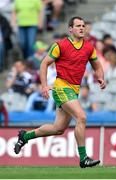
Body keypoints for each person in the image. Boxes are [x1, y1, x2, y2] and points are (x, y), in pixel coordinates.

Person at [14, 16, 106, 168]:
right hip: (62, 87)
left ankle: (25, 136)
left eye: (83, 25)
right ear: (70, 29)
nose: (82, 28)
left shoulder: (89, 47)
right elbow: (44, 64)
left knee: (58, 129)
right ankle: (84, 158)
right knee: (81, 117)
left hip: (73, 90)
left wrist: (101, 77)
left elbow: (97, 65)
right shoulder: (60, 45)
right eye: (78, 26)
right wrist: (44, 85)